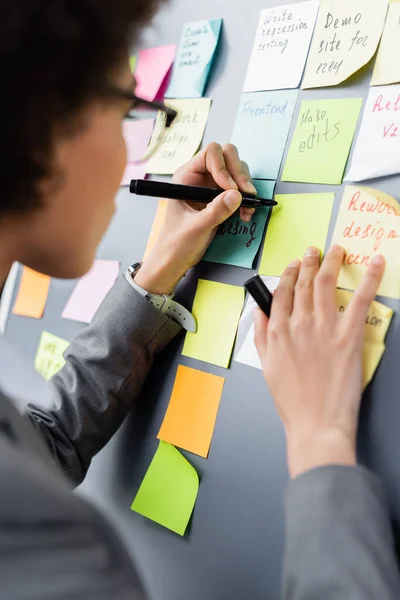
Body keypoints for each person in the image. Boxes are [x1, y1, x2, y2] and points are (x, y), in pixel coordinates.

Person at [0, 1, 398, 599]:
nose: (132, 153)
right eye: (129, 108)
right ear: (45, 123)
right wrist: (321, 441)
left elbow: (43, 444)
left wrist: (155, 274)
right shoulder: (45, 548)